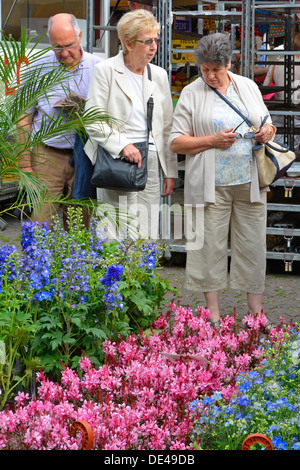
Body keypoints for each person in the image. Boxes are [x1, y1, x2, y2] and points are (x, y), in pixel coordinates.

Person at [169, 33, 276, 327]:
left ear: (229, 63)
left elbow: (267, 123)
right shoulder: (191, 93)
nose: (210, 75)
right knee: (208, 247)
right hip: (210, 185)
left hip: (249, 181)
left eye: (216, 69)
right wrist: (212, 140)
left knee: (253, 245)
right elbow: (176, 142)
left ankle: (255, 314)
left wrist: (267, 132)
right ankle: (213, 314)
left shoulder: (248, 87)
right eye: (204, 69)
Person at [84, 9, 178, 240]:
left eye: (156, 39)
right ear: (127, 43)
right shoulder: (105, 71)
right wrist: (123, 145)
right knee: (114, 232)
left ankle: (141, 275)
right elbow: (92, 119)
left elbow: (166, 126)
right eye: (147, 41)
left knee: (146, 233)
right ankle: (114, 276)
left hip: (151, 159)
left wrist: (170, 172)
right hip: (116, 159)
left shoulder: (159, 75)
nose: (154, 46)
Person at [18, 13, 101, 229]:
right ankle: (35, 262)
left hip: (84, 155)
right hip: (47, 155)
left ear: (80, 35)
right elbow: (22, 116)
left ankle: (76, 263)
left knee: (79, 225)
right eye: (57, 47)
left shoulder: (99, 68)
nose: (64, 53)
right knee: (40, 224)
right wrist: (25, 166)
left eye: (69, 46)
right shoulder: (38, 67)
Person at [263, 33, 300, 150]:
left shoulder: (275, 63)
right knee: (294, 147)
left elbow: (265, 87)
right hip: (297, 112)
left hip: (277, 110)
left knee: (278, 147)